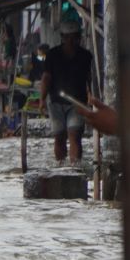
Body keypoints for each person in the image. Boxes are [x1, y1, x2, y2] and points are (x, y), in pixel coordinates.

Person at [41, 20, 94, 166]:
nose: (70, 41)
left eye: (74, 37)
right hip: (55, 102)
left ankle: (75, 167)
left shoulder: (85, 56)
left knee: (74, 136)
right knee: (59, 137)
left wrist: (92, 98)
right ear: (62, 38)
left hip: (77, 102)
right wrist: (41, 99)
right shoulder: (52, 55)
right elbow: (46, 78)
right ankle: (61, 166)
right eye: (67, 37)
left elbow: (90, 79)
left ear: (78, 37)